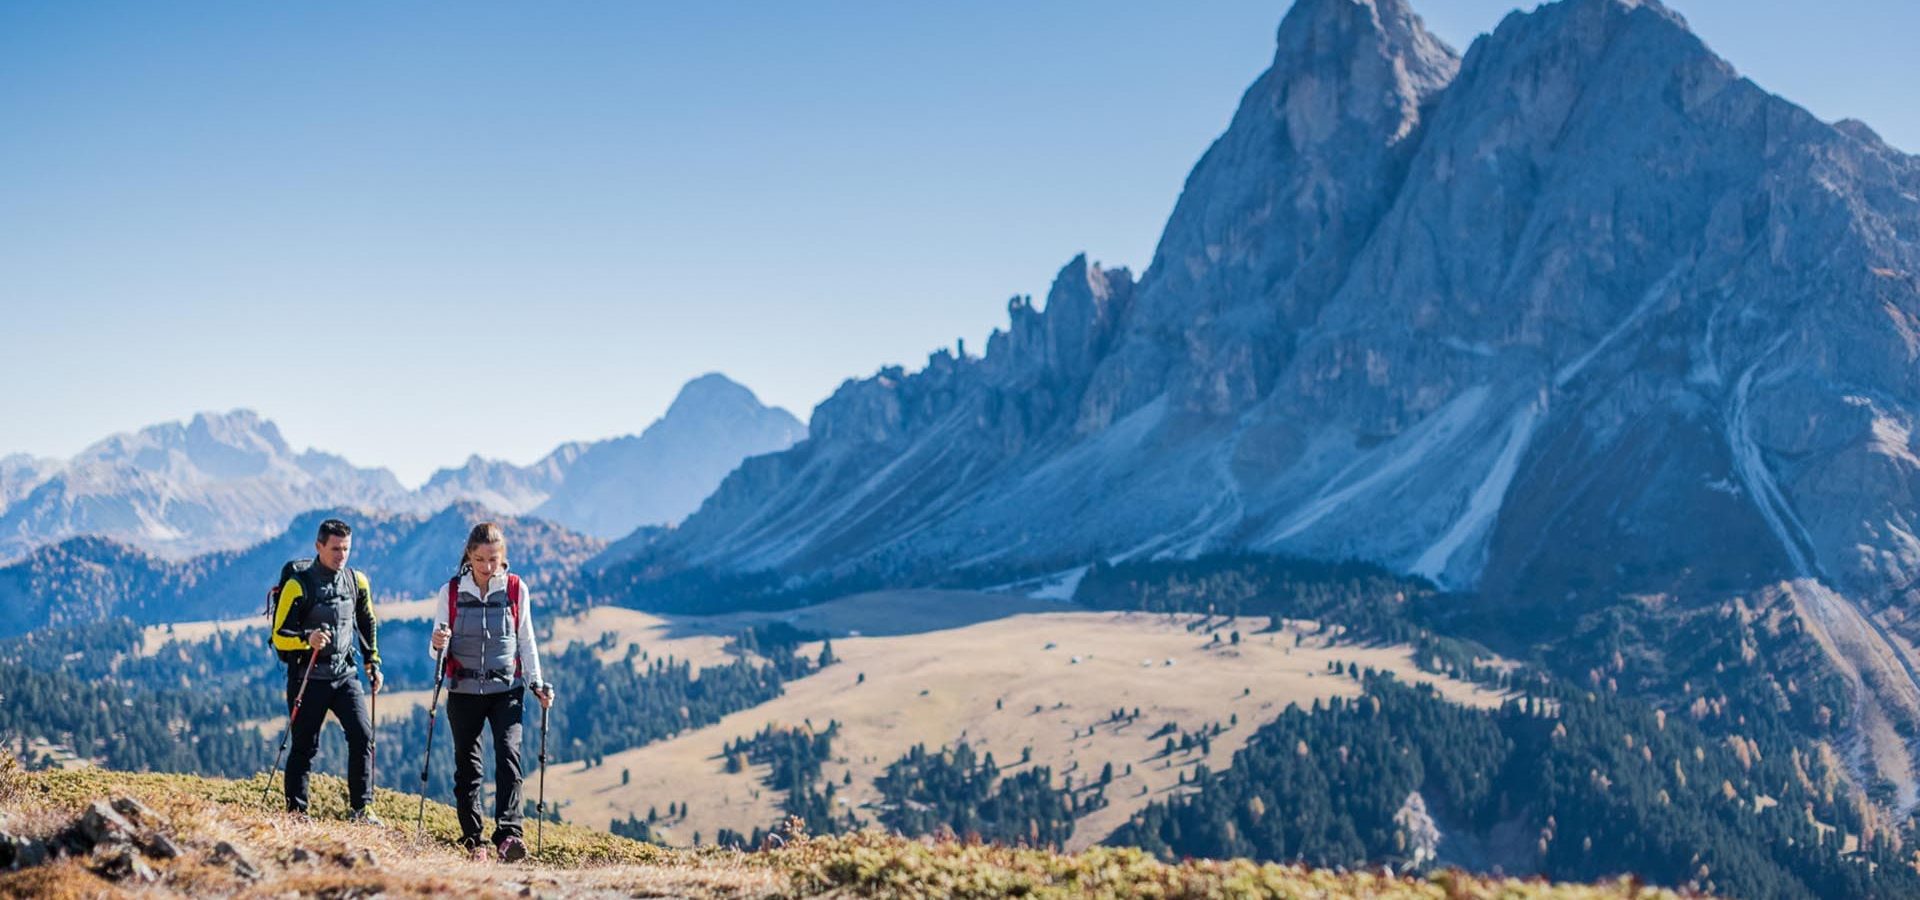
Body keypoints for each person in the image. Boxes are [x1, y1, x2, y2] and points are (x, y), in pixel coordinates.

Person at [431, 522, 553, 862]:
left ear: (504, 558)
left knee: (509, 759)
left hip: (507, 689)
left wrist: (537, 682)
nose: (488, 567)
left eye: (494, 559)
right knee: (468, 768)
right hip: (464, 690)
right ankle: (474, 841)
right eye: (481, 559)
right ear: (470, 555)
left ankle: (509, 836)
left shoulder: (516, 589)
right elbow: (438, 649)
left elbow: (526, 640)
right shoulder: (451, 592)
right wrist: (436, 643)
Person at [270, 517, 384, 821]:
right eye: (335, 548)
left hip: (345, 674)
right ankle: (297, 813)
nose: (341, 555)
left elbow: (367, 621)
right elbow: (279, 635)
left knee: (362, 736)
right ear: (319, 546)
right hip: (308, 678)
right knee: (304, 747)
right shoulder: (298, 585)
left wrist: (373, 661)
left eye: (346, 548)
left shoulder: (356, 581)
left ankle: (362, 808)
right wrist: (308, 639)